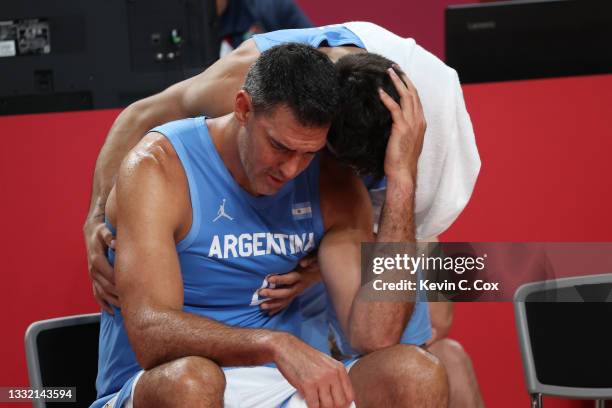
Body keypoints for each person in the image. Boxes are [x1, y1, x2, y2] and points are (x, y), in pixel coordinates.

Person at [83, 22, 480, 406]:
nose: (291, 169)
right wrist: (96, 218)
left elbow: (375, 336)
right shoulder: (158, 166)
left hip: (279, 381)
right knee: (193, 382)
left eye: (308, 153)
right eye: (279, 146)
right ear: (242, 108)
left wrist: (402, 179)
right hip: (178, 379)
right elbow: (151, 333)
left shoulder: (333, 176)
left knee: (419, 370)